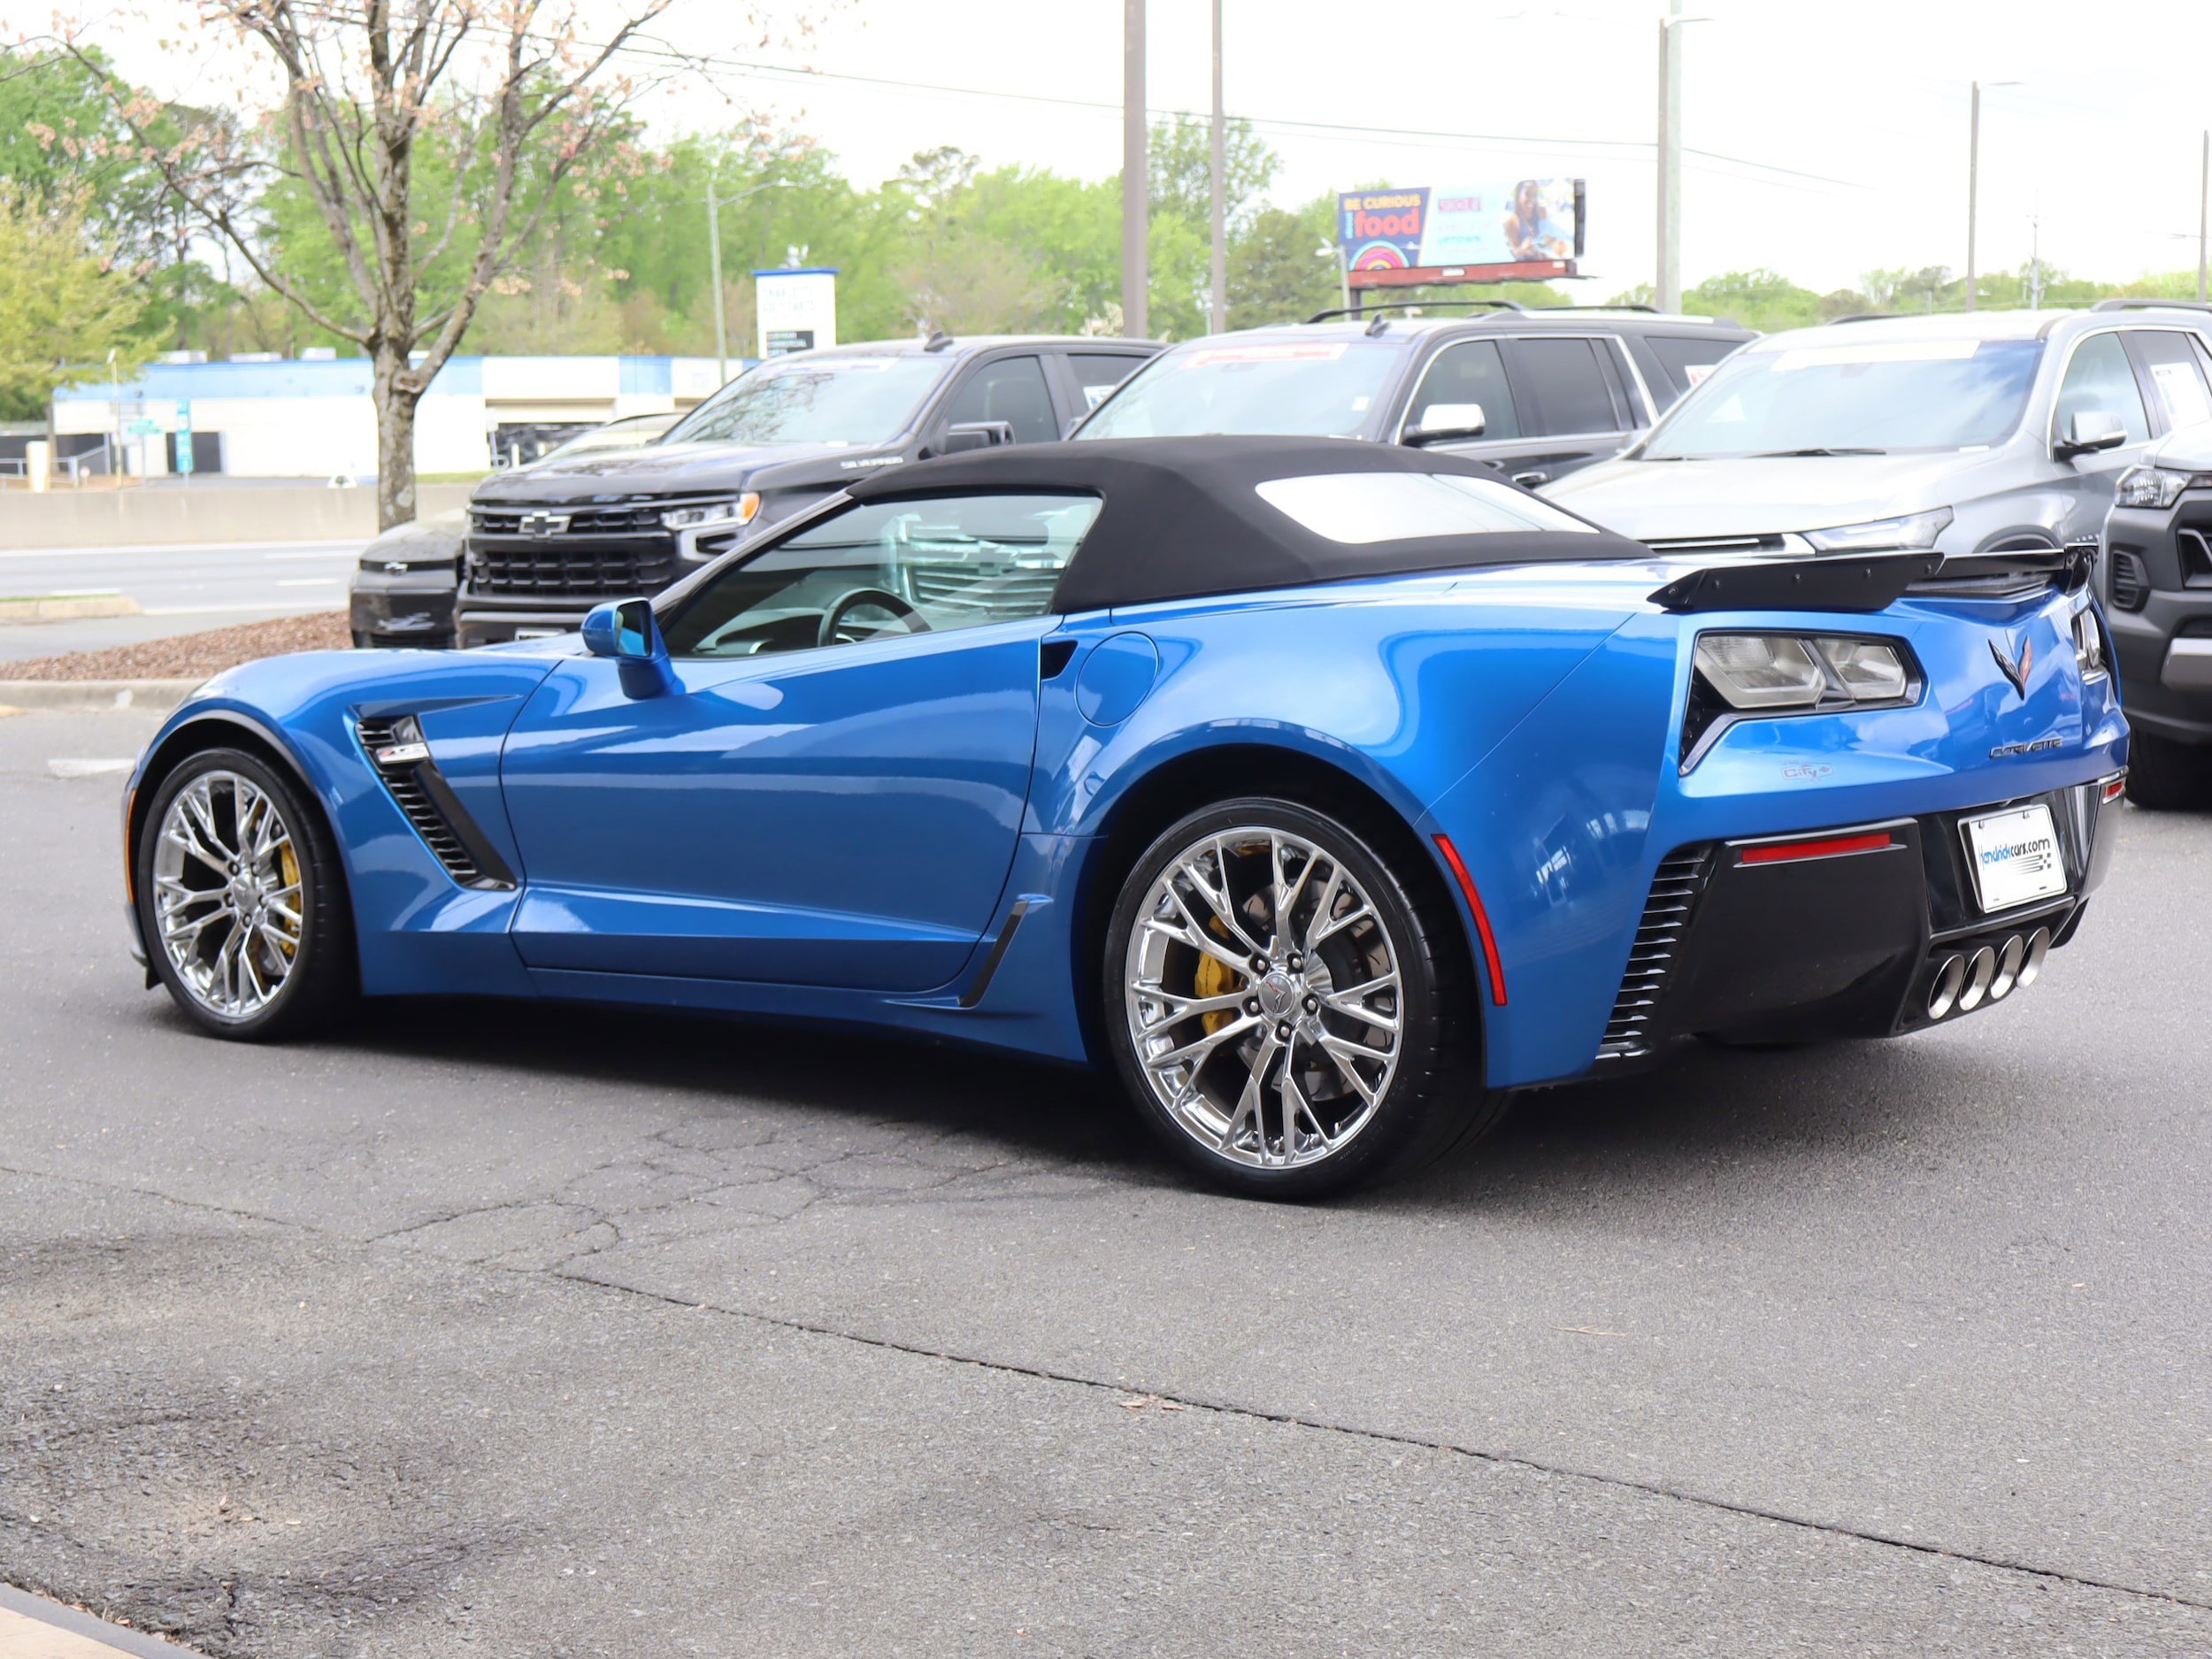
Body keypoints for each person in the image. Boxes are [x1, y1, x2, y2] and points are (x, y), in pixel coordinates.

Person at [1503, 180, 1570, 262]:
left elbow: (1549, 236)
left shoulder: (1541, 212)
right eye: (1527, 194)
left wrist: (1556, 243)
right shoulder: (1511, 221)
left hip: (1543, 261)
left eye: (1534, 195)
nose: (1532, 199)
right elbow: (1514, 253)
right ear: (1518, 196)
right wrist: (1523, 248)